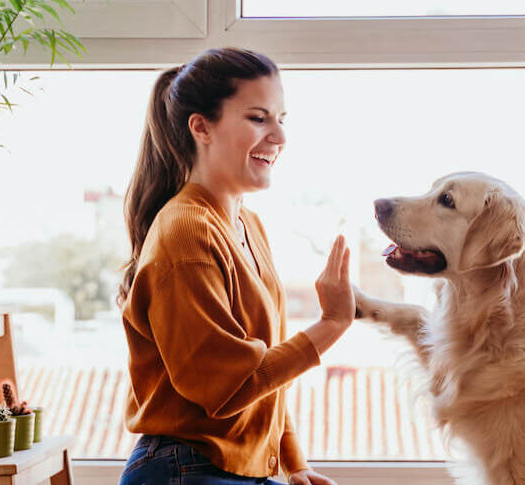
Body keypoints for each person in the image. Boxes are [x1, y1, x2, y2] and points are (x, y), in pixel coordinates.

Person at [116, 47, 351, 485]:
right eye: (258, 118)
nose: (279, 136)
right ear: (201, 127)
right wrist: (333, 324)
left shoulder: (248, 225)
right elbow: (228, 387)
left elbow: (263, 373)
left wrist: (293, 461)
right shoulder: (186, 233)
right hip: (185, 470)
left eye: (282, 119)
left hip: (224, 468)